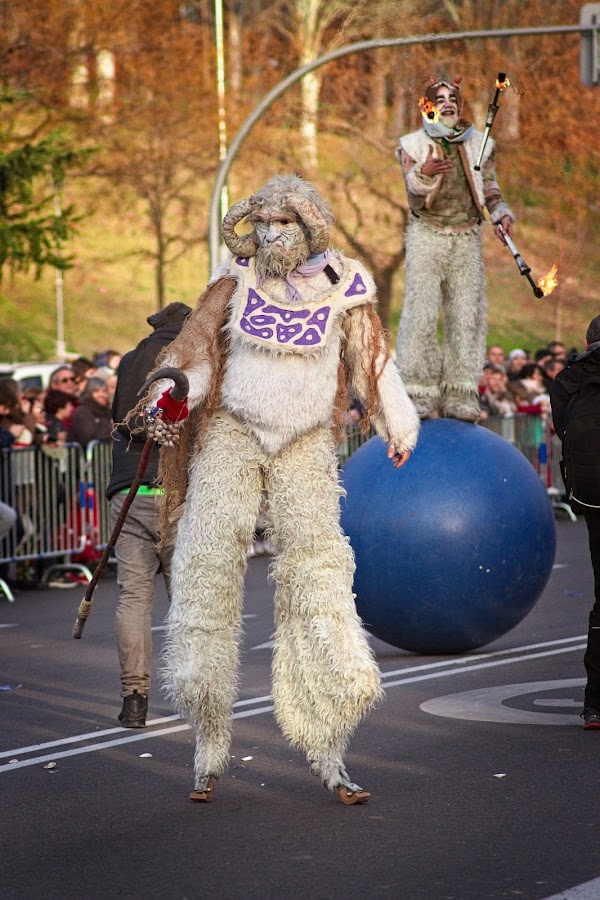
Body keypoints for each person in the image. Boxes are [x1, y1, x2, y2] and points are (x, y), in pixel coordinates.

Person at [140, 174, 420, 805]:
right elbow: (198, 354)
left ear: (308, 226)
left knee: (319, 574)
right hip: (234, 433)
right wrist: (172, 397)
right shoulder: (233, 280)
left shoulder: (342, 284)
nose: (271, 234)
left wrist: (397, 423)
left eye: (284, 223)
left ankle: (331, 747)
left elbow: (371, 360)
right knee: (205, 568)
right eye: (262, 223)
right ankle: (208, 742)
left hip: (305, 443)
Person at [395, 76, 515, 422]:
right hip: (427, 235)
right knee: (421, 314)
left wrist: (501, 214)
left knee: (466, 316)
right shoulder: (412, 145)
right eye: (441, 99)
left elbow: (490, 188)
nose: (448, 104)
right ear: (428, 107)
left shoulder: (480, 144)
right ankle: (418, 392)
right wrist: (424, 173)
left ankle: (461, 393)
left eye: (453, 99)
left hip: (466, 238)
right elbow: (414, 198)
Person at [106, 302, 192, 728]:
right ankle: (195, 690)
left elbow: (118, 419)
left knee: (134, 597)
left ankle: (134, 698)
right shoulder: (193, 361)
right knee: (188, 594)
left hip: (127, 490)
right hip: (172, 490)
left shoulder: (128, 361)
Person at [550, 315, 600, 729]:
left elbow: (562, 429)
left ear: (587, 342)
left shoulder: (569, 379)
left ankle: (594, 703)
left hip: (592, 496)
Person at [67, 377, 112, 448]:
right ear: (89, 393)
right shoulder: (82, 412)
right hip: (87, 453)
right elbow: (88, 437)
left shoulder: (108, 412)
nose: (101, 395)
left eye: (104, 391)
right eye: (96, 391)